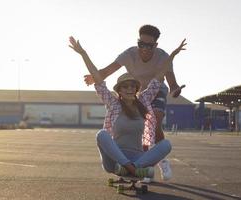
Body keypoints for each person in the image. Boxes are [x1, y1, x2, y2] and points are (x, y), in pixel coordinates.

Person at [69, 36, 186, 179]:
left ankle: (130, 169)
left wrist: (173, 55)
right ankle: (134, 170)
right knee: (102, 135)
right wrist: (83, 54)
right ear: (119, 90)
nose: (129, 89)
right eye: (125, 87)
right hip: (115, 159)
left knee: (166, 145)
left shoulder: (143, 101)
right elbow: (99, 80)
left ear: (137, 89)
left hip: (138, 158)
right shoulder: (113, 104)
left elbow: (158, 76)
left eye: (132, 86)